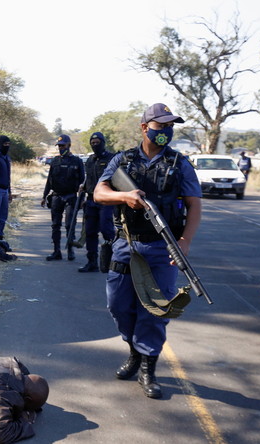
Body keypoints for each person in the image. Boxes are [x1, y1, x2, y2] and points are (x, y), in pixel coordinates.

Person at [93, 103, 202, 399]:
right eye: (160, 126)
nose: (166, 132)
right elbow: (99, 193)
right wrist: (124, 196)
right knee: (118, 305)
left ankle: (147, 367)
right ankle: (133, 351)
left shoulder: (180, 163)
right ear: (144, 128)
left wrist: (185, 241)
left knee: (155, 310)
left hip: (162, 247)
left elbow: (194, 205)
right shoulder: (123, 160)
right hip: (125, 244)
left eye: (170, 126)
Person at [41, 134, 85, 261]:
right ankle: (56, 251)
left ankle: (70, 250)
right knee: (55, 225)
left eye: (63, 145)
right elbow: (49, 180)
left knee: (69, 225)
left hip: (71, 197)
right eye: (59, 146)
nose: (61, 148)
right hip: (56, 197)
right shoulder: (54, 161)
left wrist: (82, 199)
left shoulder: (77, 161)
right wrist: (44, 196)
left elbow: (82, 183)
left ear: (69, 145)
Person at [78, 132, 116, 273]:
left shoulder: (112, 158)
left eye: (97, 142)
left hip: (106, 200)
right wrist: (84, 187)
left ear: (103, 142)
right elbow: (89, 177)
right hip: (91, 200)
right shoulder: (90, 160)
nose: (95, 145)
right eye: (92, 143)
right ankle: (92, 262)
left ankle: (112, 261)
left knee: (106, 230)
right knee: (90, 232)